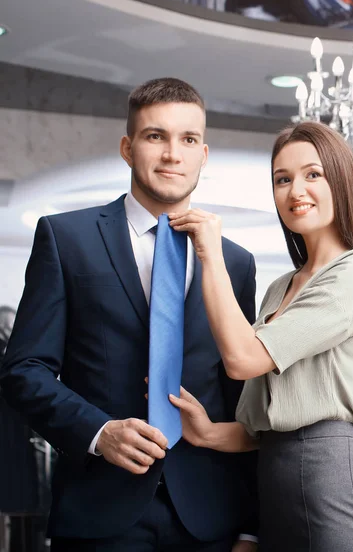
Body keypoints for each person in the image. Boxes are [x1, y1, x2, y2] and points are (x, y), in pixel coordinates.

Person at [0, 78, 258, 552]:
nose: (172, 155)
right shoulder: (65, 238)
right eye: (155, 136)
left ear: (204, 154)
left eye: (188, 140)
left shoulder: (234, 262)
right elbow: (23, 371)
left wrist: (251, 526)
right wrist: (97, 432)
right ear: (127, 147)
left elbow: (242, 397)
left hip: (211, 519)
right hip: (99, 512)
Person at [167, 121, 353, 552]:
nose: (296, 191)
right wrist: (208, 432)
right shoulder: (281, 288)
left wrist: (209, 253)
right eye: (282, 179)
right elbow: (268, 429)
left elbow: (242, 359)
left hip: (334, 493)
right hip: (279, 493)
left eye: (313, 175)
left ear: (341, 181)